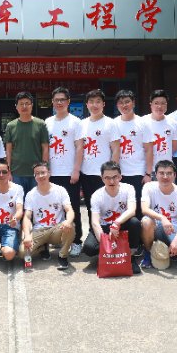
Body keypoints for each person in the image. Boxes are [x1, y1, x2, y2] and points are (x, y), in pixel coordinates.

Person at [77, 89, 120, 255]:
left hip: (105, 175)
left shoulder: (110, 123)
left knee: (109, 205)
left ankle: (113, 235)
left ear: (103, 104)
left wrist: (113, 173)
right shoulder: (82, 124)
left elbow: (116, 149)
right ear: (87, 104)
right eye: (91, 102)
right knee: (91, 207)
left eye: (98, 102)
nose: (94, 105)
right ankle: (95, 235)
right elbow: (79, 148)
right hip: (86, 173)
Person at [81, 161, 142, 274]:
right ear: (102, 178)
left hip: (122, 225)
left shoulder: (128, 188)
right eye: (107, 178)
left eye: (115, 177)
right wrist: (105, 243)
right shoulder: (97, 195)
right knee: (89, 248)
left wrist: (117, 223)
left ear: (120, 177)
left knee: (135, 223)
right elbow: (95, 222)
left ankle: (130, 256)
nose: (112, 181)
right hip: (104, 227)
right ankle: (109, 254)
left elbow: (132, 210)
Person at [45, 87, 83, 255]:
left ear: (68, 102)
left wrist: (76, 170)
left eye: (62, 100)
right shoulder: (47, 122)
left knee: (72, 207)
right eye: (56, 100)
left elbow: (80, 147)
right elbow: (45, 148)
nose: (59, 103)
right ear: (52, 102)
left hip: (69, 173)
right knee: (55, 208)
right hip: (52, 173)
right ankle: (58, 238)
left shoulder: (75, 122)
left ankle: (76, 240)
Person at [139, 160, 177, 270]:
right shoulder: (148, 187)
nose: (165, 176)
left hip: (174, 228)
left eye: (169, 173)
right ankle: (148, 253)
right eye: (161, 173)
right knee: (146, 221)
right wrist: (162, 218)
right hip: (156, 226)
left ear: (174, 175)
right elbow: (144, 209)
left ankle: (169, 252)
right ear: (156, 174)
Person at [22, 161, 75, 270]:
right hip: (39, 230)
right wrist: (27, 235)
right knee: (22, 253)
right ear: (34, 176)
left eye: (43, 172)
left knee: (70, 226)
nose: (40, 176)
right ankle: (42, 248)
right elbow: (27, 217)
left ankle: (63, 255)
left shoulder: (60, 190)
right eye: (37, 173)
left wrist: (68, 221)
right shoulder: (31, 194)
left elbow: (69, 210)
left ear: (49, 173)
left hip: (57, 229)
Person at [114, 89, 152, 212]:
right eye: (121, 103)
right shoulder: (113, 124)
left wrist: (148, 174)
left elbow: (149, 149)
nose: (124, 105)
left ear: (133, 103)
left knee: (139, 208)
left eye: (127, 102)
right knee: (121, 208)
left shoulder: (143, 123)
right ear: (117, 105)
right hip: (120, 173)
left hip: (138, 172)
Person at [3, 91, 49, 193]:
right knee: (18, 201)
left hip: (37, 173)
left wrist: (44, 169)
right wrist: (8, 170)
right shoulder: (11, 126)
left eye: (27, 103)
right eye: (21, 104)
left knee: (36, 200)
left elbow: (45, 148)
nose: (24, 106)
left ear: (32, 105)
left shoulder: (40, 124)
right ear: (16, 106)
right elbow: (8, 151)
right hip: (16, 173)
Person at [142, 89, 177, 176]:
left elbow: (174, 147)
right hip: (147, 171)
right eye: (156, 103)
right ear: (151, 104)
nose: (160, 106)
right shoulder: (142, 122)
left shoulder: (173, 123)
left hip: (167, 169)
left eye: (163, 103)